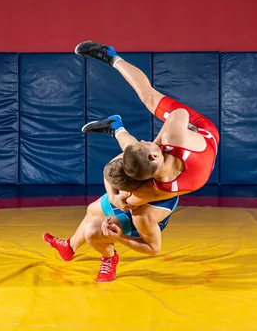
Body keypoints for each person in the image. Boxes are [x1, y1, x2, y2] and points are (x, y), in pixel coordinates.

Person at [43, 40, 221, 282]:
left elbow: (125, 196)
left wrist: (118, 198)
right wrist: (157, 144)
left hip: (194, 138)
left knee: (148, 103)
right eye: (147, 143)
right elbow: (179, 116)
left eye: (147, 142)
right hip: (200, 139)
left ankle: (113, 66)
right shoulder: (169, 146)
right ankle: (116, 120)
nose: (147, 140)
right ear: (155, 155)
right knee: (148, 101)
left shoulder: (152, 185)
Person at [43, 157, 178, 282]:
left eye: (118, 191)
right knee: (93, 210)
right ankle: (70, 247)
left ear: (128, 192)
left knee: (92, 231)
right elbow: (109, 169)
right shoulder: (141, 159)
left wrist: (119, 237)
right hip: (137, 198)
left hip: (140, 219)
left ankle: (109, 258)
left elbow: (153, 249)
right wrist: (113, 197)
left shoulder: (144, 216)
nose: (116, 192)